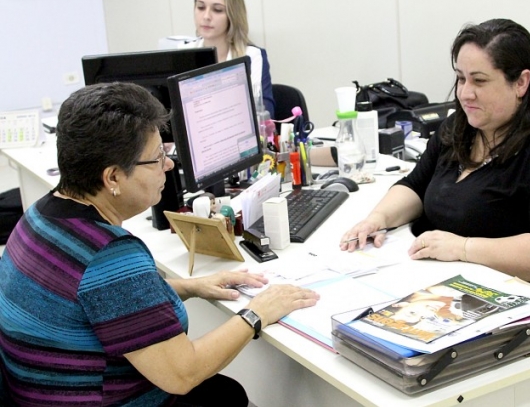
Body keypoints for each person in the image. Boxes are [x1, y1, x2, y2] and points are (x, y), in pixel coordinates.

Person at [0, 82, 319, 406]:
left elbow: (100, 302)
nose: (168, 165)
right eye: (155, 159)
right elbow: (182, 373)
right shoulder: (109, 255)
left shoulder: (40, 217)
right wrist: (257, 313)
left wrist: (190, 286)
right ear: (112, 178)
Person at [340, 18, 530, 309]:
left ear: (521, 82)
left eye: (479, 80)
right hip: (467, 287)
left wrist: (463, 248)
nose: (465, 93)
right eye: (461, 78)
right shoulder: (463, 126)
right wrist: (378, 219)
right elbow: (416, 185)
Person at [181, 0, 275, 118]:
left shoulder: (251, 56)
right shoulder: (183, 54)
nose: (206, 16)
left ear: (233, 14)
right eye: (200, 7)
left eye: (217, 10)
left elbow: (265, 116)